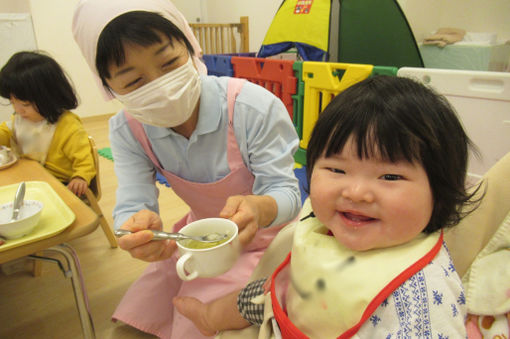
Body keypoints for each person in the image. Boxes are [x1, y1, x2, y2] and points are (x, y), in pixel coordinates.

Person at [173, 75, 484, 338]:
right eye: (337, 170)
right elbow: (277, 287)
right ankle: (210, 316)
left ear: (440, 193)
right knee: (260, 293)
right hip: (295, 297)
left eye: (390, 176)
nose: (357, 192)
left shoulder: (420, 299)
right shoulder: (327, 225)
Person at [72, 0, 301, 338]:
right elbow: (133, 201)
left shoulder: (252, 108)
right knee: (136, 320)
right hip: (201, 242)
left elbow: (288, 192)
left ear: (192, 49)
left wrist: (260, 206)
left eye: (169, 63)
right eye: (134, 81)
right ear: (107, 88)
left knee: (206, 320)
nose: (161, 86)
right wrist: (134, 228)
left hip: (273, 241)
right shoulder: (129, 129)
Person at [0, 51, 95, 196]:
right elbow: (5, 133)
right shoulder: (18, 120)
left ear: (49, 98)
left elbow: (84, 159)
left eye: (24, 105)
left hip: (58, 183)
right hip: (27, 179)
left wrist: (80, 176)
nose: (18, 110)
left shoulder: (67, 125)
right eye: (13, 102)